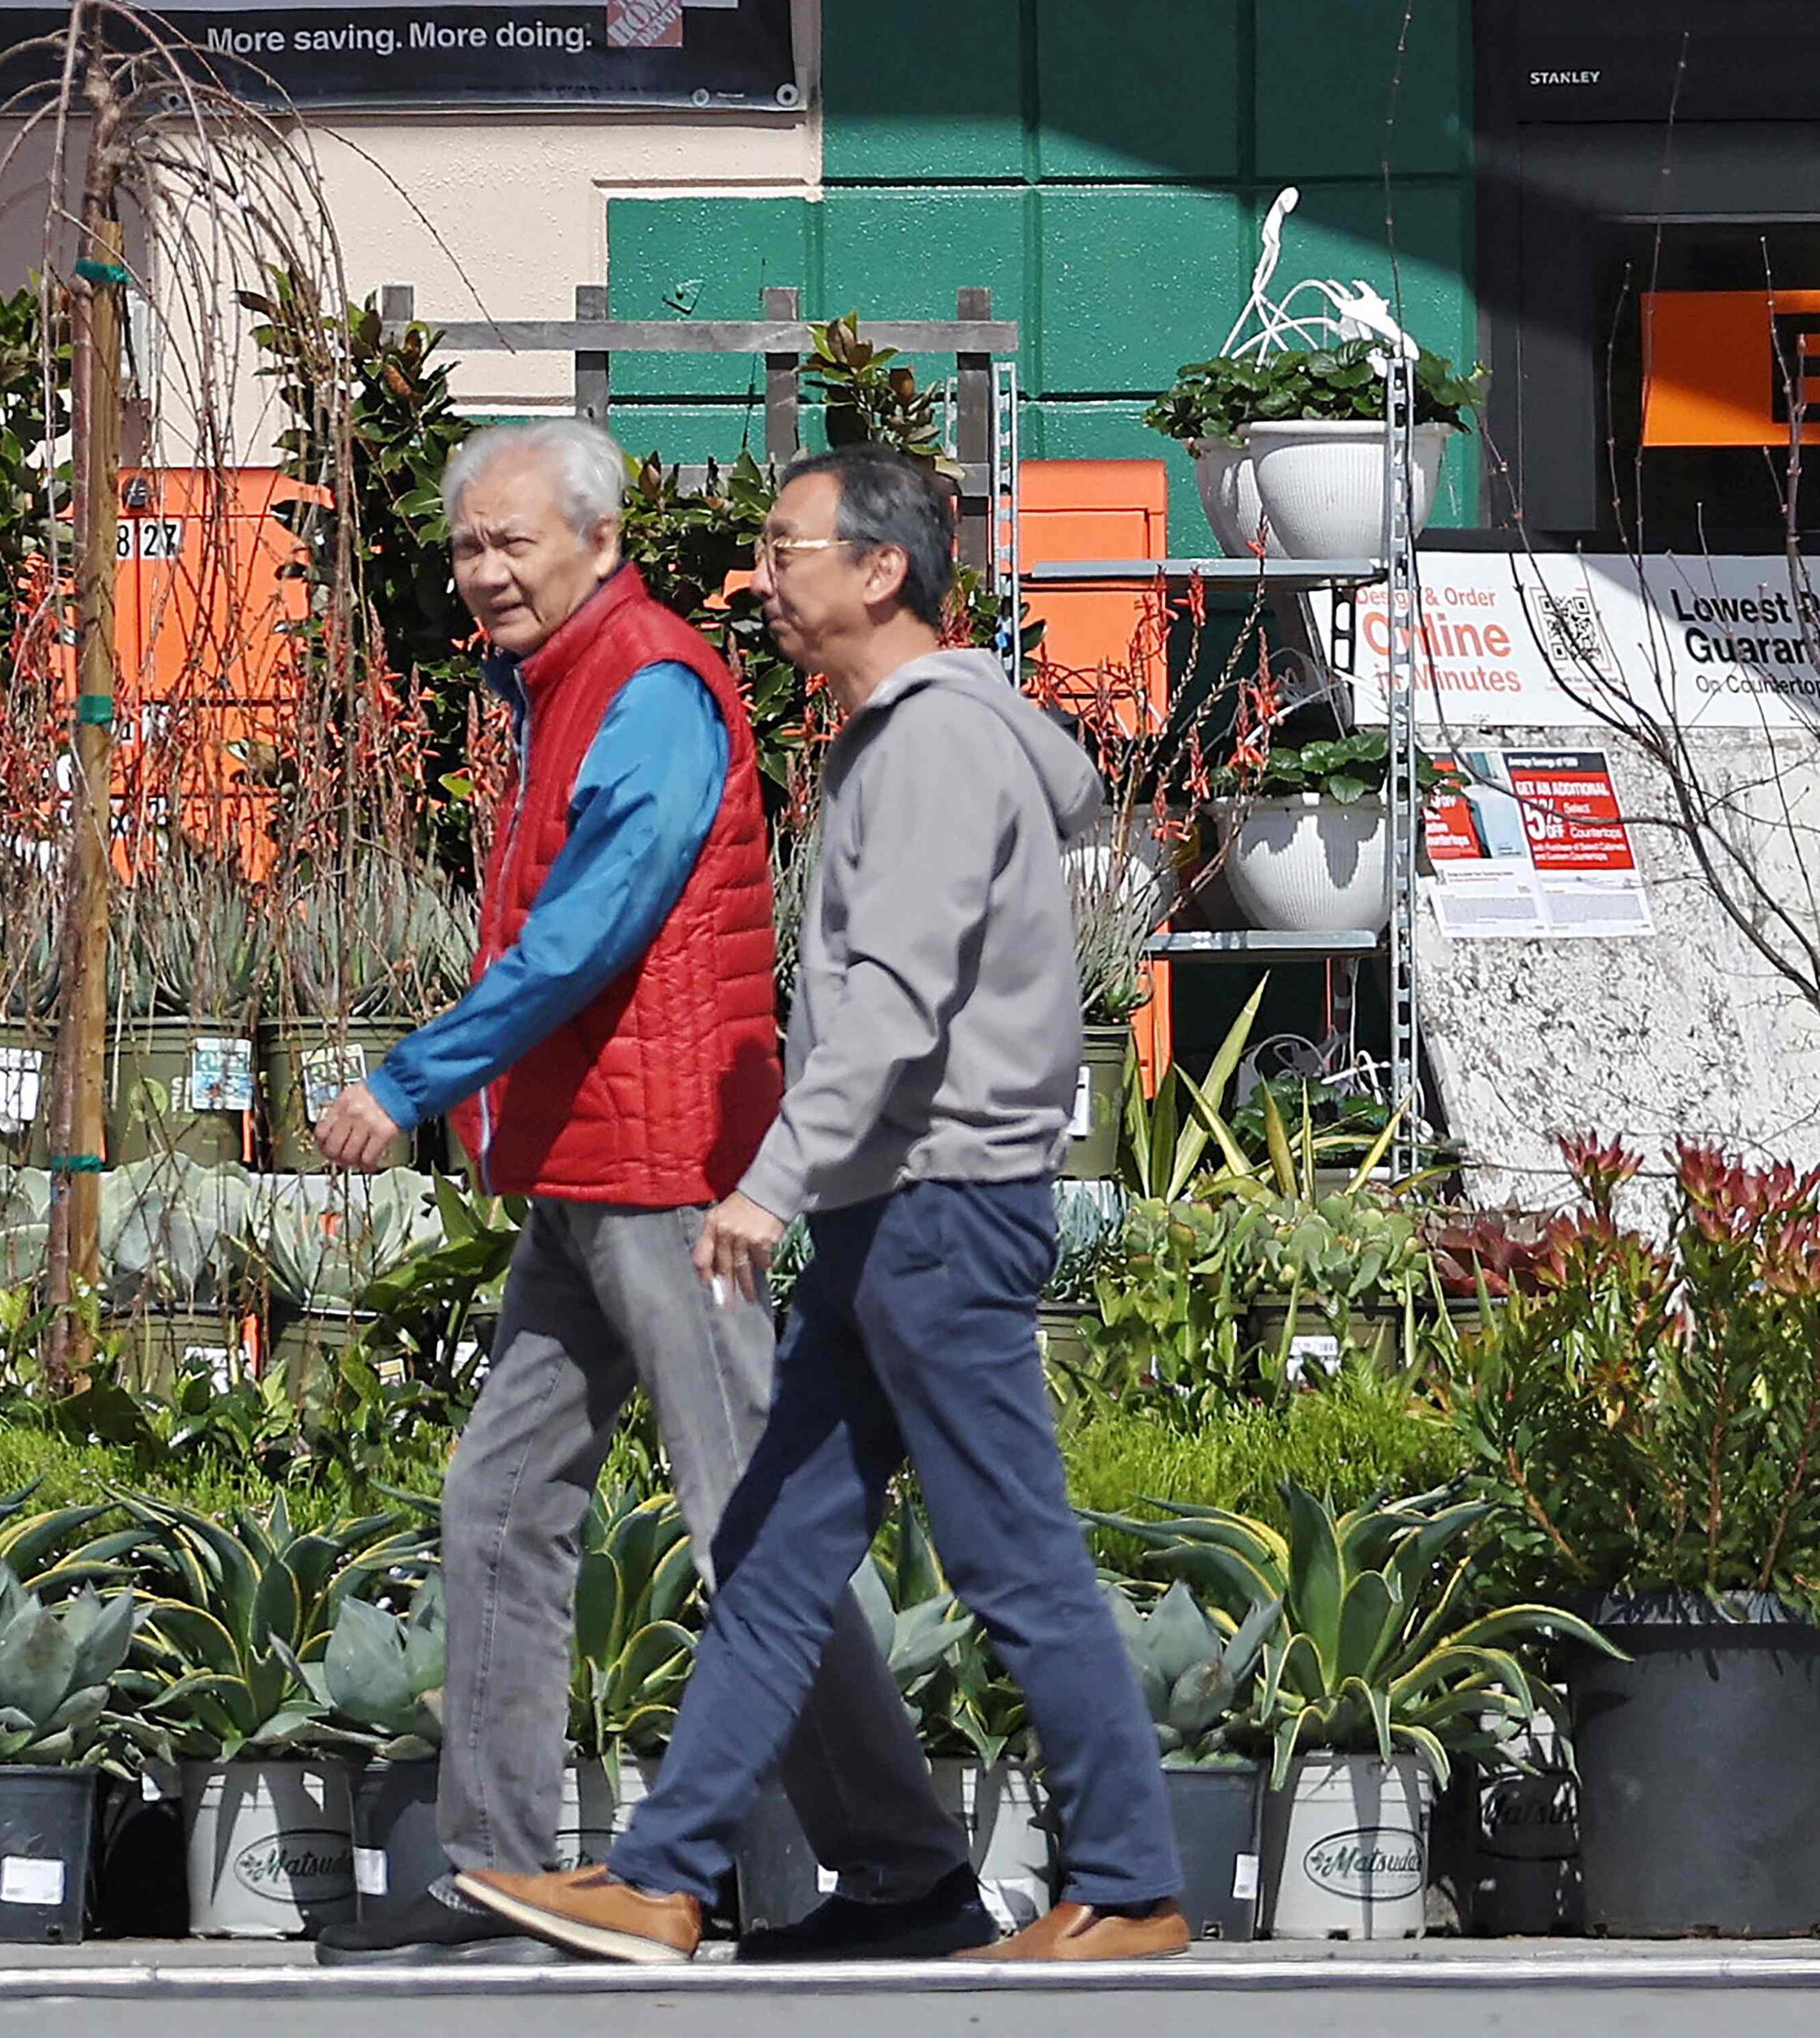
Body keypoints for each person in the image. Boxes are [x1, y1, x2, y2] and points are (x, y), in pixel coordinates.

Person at [456, 447, 1190, 1968]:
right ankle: (668, 1878)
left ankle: (1129, 1884)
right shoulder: (890, 745)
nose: (764, 576)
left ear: (881, 570)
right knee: (780, 1557)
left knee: (1012, 1555)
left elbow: (894, 1008)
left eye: (788, 548)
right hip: (888, 1212)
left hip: (940, 1208)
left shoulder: (934, 751)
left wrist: (767, 1185)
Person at [313, 421, 977, 1966]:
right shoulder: (560, 684)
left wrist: (411, 1082)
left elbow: (592, 928)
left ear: (601, 544)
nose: (484, 572)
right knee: (500, 1504)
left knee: (750, 1525)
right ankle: (491, 1868)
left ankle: (906, 1872)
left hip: (671, 1176)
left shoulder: (653, 686)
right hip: (586, 1167)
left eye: (513, 542)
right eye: (466, 547)